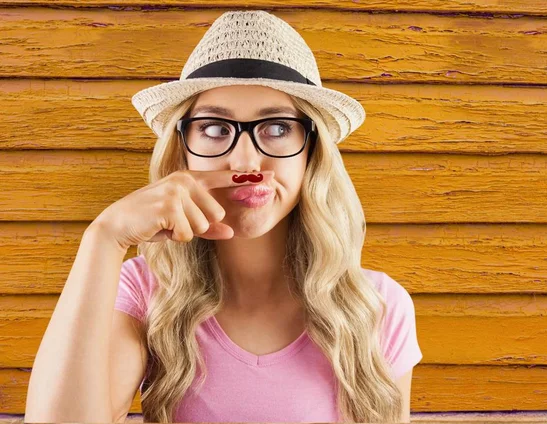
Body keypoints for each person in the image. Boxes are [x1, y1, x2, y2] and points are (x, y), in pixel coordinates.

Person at [24, 9, 423, 424]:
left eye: (277, 127)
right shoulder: (144, 293)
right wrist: (103, 238)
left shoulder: (377, 306)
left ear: (312, 151)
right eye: (215, 128)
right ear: (183, 149)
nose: (246, 159)